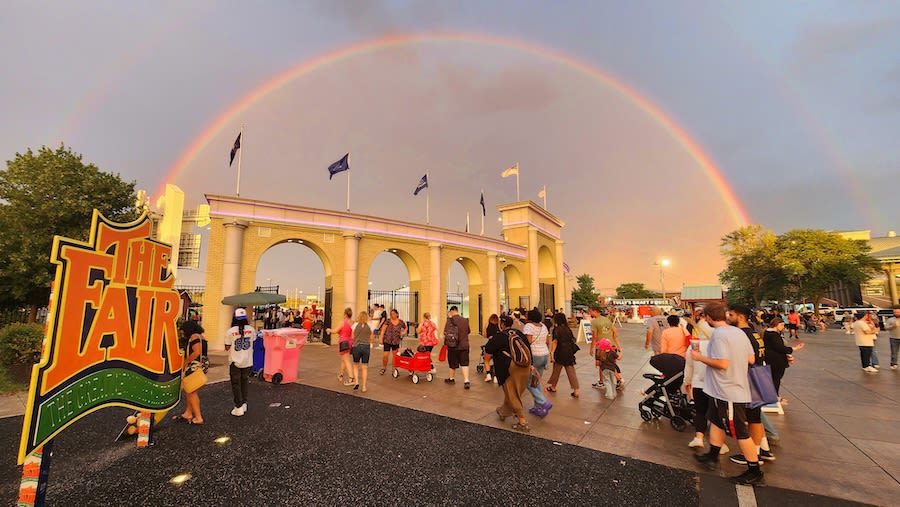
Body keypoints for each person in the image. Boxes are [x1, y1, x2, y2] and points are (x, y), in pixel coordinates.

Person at [691, 302, 762, 486]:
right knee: (715, 421)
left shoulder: (719, 335)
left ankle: (754, 471)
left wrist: (700, 358)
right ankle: (712, 456)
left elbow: (722, 363)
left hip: (728, 392)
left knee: (740, 432)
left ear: (708, 317)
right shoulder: (738, 332)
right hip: (725, 389)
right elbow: (751, 358)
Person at [726, 304, 775, 466]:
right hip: (759, 375)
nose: (728, 317)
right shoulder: (754, 332)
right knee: (755, 417)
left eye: (731, 315)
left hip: (748, 378)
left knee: (749, 418)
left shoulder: (741, 335)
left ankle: (752, 453)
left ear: (740, 317)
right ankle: (762, 449)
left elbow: (743, 358)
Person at [683, 311, 729, 455]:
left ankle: (698, 437)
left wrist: (687, 382)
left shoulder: (694, 346)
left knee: (700, 412)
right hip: (716, 386)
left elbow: (688, 367)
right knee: (716, 415)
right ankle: (719, 444)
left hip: (698, 384)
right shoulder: (719, 345)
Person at [484, 315, 531, 432]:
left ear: (502, 324)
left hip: (509, 368)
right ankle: (503, 412)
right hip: (525, 366)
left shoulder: (499, 336)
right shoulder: (519, 333)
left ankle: (522, 420)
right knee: (513, 392)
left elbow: (488, 349)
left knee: (512, 394)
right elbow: (528, 348)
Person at [225, 308, 256, 417]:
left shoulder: (230, 331)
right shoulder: (252, 330)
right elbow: (253, 342)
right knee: (244, 382)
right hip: (247, 361)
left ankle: (238, 407)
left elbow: (227, 347)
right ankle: (244, 403)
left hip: (235, 361)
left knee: (236, 384)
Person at [763, 318, 804, 400]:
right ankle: (774, 396)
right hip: (776, 360)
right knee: (776, 379)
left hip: (772, 359)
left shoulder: (769, 333)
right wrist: (793, 349)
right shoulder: (773, 335)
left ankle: (773, 396)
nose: (783, 327)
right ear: (776, 324)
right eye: (781, 325)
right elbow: (780, 348)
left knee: (774, 379)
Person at [174, 319, 207, 425]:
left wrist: (185, 362)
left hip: (193, 367)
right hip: (200, 366)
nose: (182, 334)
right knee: (191, 391)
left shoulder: (194, 337)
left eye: (183, 331)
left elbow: (197, 352)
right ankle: (188, 413)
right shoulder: (201, 337)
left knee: (191, 392)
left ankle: (198, 417)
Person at [523, 309, 552, 415]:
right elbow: (547, 341)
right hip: (544, 354)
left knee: (529, 382)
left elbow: (528, 341)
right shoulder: (543, 326)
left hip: (534, 355)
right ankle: (538, 407)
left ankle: (543, 402)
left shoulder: (529, 326)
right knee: (536, 381)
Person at [546, 312, 580, 397]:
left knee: (556, 370)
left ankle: (553, 387)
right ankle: (576, 390)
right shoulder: (568, 329)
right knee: (571, 371)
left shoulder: (556, 329)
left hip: (560, 351)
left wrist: (552, 353)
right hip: (568, 351)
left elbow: (555, 342)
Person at [443, 306, 472, 388]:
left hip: (453, 346)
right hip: (464, 345)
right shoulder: (465, 320)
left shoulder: (449, 321)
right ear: (457, 311)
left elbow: (445, 332)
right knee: (465, 363)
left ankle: (451, 378)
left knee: (452, 363)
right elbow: (468, 331)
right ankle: (466, 381)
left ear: (452, 311)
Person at [326, 307, 355, 384]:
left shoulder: (343, 322)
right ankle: (341, 375)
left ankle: (351, 378)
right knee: (344, 359)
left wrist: (329, 330)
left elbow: (335, 331)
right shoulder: (353, 322)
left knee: (346, 360)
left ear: (345, 314)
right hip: (350, 341)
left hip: (343, 342)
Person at [351, 309, 374, 392]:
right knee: (364, 367)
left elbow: (352, 337)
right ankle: (364, 386)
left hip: (356, 347)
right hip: (366, 347)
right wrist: (371, 344)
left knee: (355, 365)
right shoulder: (370, 325)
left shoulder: (355, 325)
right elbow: (372, 337)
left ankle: (356, 382)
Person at [379, 309, 407, 375]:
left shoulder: (401, 322)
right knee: (385, 355)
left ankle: (394, 369)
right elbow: (383, 330)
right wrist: (380, 338)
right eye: (391, 314)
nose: (392, 315)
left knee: (395, 356)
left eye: (394, 314)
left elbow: (406, 327)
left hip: (396, 341)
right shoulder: (388, 321)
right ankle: (384, 368)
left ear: (397, 314)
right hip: (387, 340)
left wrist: (403, 332)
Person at [483, 314, 501, 382]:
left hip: (490, 344)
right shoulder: (499, 325)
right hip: (498, 345)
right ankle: (496, 377)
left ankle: (488, 375)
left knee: (486, 360)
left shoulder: (487, 324)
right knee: (496, 361)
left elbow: (485, 335)